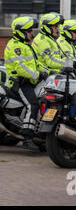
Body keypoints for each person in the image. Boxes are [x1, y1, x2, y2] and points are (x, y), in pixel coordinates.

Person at [5, 16, 49, 151]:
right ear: (20, 31)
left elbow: (35, 64)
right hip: (21, 83)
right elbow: (21, 68)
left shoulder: (25, 45)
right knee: (33, 105)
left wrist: (47, 71)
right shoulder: (16, 46)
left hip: (30, 82)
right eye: (29, 31)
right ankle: (27, 137)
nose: (32, 33)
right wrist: (37, 75)